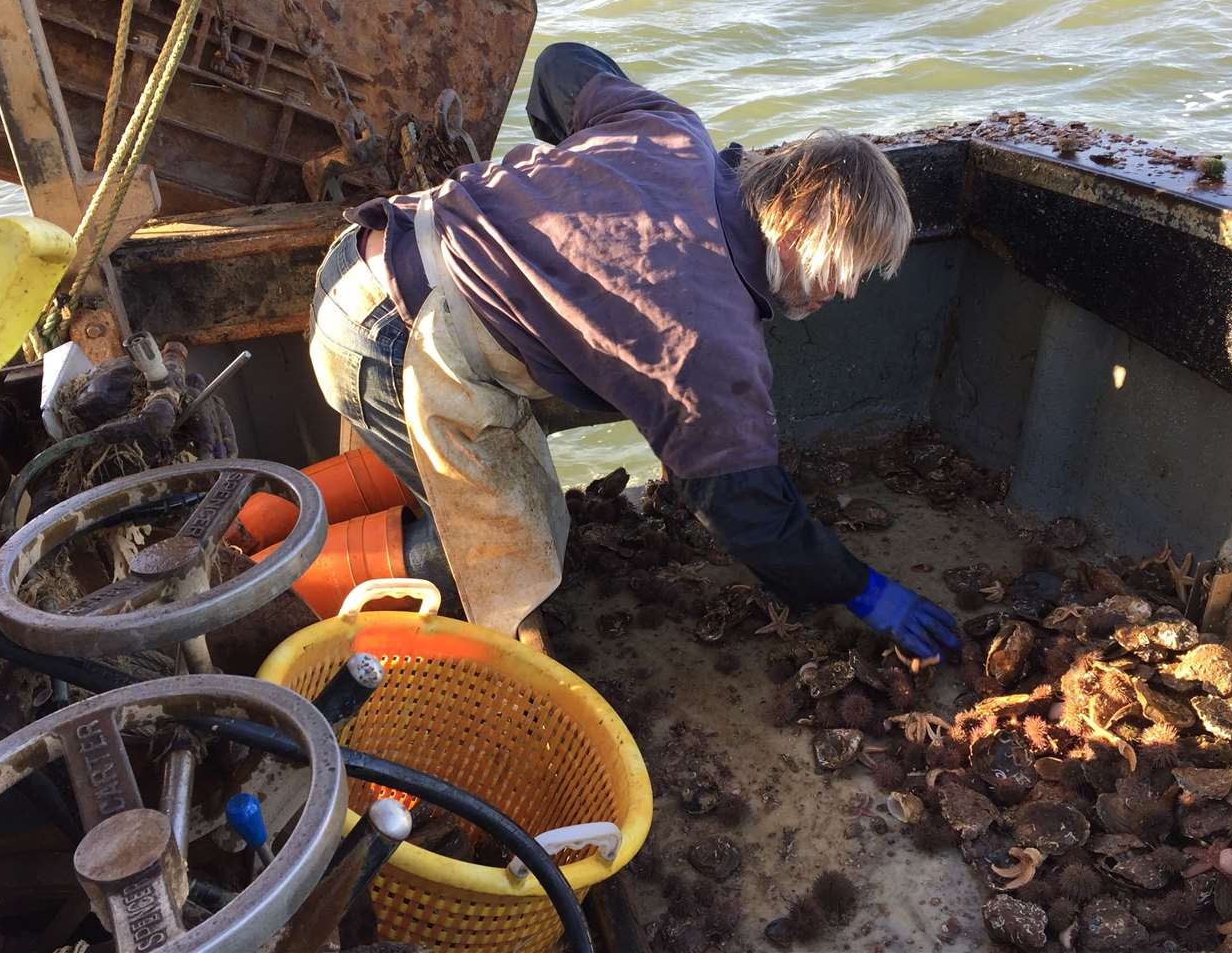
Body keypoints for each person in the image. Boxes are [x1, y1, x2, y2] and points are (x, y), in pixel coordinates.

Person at [307, 42, 960, 660]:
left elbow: (561, 68)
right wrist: (863, 590)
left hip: (377, 246)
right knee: (510, 554)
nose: (842, 291)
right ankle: (282, 586)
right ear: (789, 225)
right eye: (838, 268)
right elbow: (745, 512)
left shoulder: (669, 128)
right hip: (386, 332)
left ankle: (303, 515)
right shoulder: (705, 335)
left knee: (524, 500)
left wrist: (585, 186)